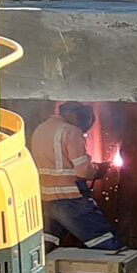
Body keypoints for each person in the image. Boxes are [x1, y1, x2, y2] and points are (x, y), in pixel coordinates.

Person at [34, 101, 119, 250]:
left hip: (46, 200)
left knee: (47, 247)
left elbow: (59, 163)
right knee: (105, 243)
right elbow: (83, 171)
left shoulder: (41, 129)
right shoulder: (71, 131)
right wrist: (97, 171)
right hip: (71, 200)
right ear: (71, 114)